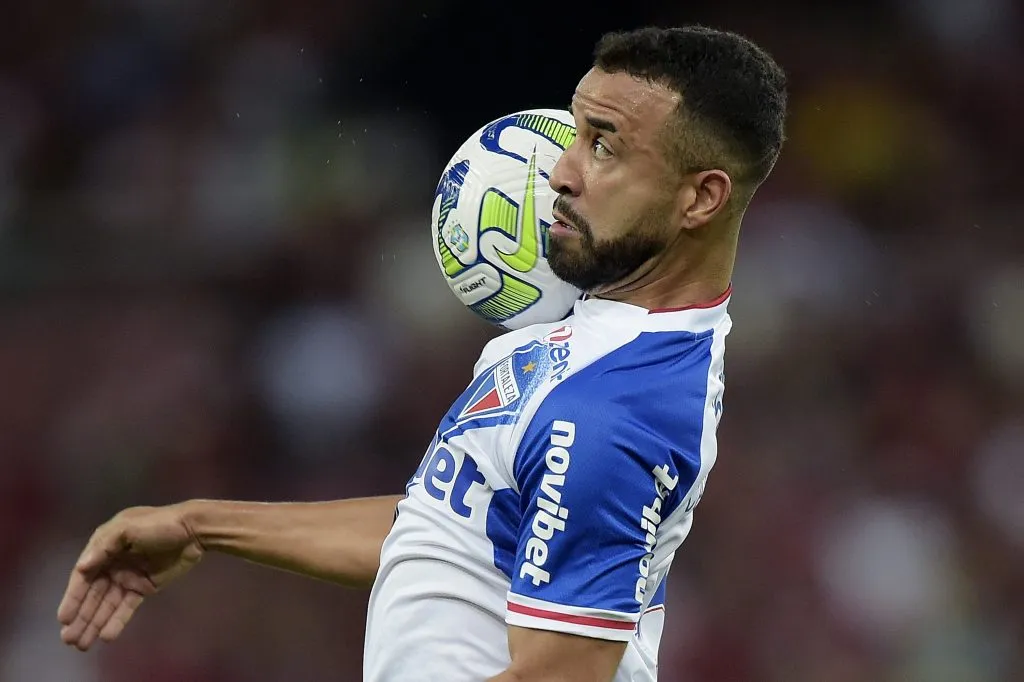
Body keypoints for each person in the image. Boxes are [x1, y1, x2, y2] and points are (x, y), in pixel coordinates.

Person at [57, 25, 787, 682]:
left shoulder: (610, 409)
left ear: (701, 199)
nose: (561, 173)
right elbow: (452, 530)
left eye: (603, 145)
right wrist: (200, 526)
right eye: (574, 132)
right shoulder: (601, 332)